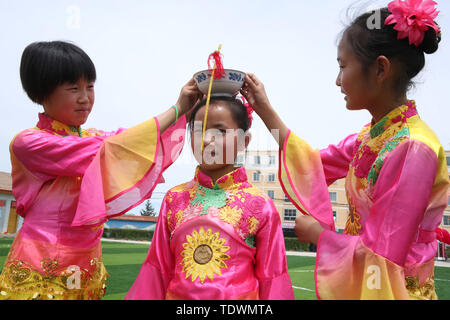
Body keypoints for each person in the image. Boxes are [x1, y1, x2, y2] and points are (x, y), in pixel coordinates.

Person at [240, 1, 449, 300]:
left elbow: (381, 260)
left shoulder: (412, 148)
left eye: (342, 66)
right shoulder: (371, 137)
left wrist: (319, 236)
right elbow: (313, 164)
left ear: (380, 68)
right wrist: (265, 111)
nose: (338, 81)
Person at [0, 41, 202, 300]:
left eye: (90, 87)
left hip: (87, 262)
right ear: (41, 93)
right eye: (73, 88)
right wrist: (176, 110)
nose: (85, 98)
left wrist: (188, 108)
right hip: (40, 263)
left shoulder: (94, 138)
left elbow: (127, 142)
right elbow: (113, 147)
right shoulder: (29, 142)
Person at [125, 95, 294, 300]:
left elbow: (273, 279)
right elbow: (157, 268)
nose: (206, 140)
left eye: (220, 131)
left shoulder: (260, 205)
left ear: (244, 141)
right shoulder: (174, 198)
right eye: (198, 130)